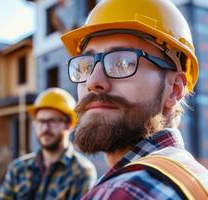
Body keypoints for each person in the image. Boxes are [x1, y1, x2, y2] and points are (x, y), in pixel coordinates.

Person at [61, 0, 208, 199]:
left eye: (122, 63)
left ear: (174, 89)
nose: (93, 81)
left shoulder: (121, 192)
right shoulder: (198, 179)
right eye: (85, 67)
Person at [0, 87, 97, 200]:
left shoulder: (81, 172)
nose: (45, 128)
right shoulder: (18, 168)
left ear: (69, 125)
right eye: (41, 121)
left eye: (52, 121)